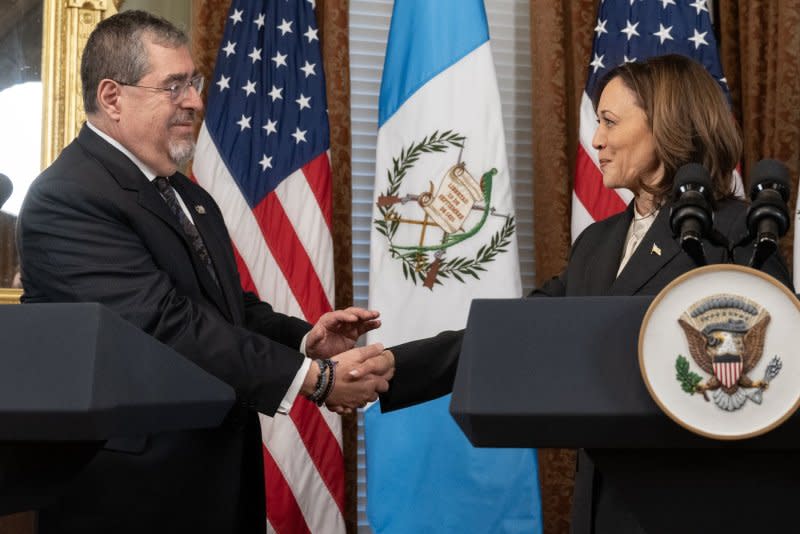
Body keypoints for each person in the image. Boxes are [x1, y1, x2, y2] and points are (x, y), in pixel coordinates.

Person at [356, 54, 793, 533]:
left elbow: (772, 376)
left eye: (609, 122)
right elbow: (519, 331)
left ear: (666, 124)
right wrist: (397, 365)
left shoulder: (737, 233)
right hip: (604, 508)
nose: (597, 139)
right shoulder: (597, 243)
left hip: (704, 507)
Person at [17, 10, 392, 534]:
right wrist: (312, 381)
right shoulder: (69, 197)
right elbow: (163, 325)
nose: (195, 100)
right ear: (111, 97)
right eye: (174, 86)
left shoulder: (187, 194)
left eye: (193, 82)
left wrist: (307, 341)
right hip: (131, 497)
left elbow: (227, 309)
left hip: (216, 480)